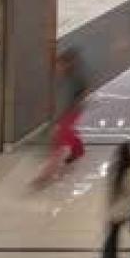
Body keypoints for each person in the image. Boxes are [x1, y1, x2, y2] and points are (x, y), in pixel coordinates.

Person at [36, 49, 88, 186]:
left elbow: (78, 95)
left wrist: (70, 110)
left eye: (60, 64)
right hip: (66, 113)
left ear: (68, 64)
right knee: (65, 136)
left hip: (70, 112)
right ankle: (78, 150)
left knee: (59, 139)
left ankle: (47, 174)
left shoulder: (74, 79)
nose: (58, 68)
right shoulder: (65, 79)